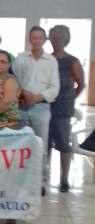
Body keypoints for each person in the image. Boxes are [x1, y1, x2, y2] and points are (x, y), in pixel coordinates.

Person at [12, 26, 60, 196]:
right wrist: (24, 94)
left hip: (41, 108)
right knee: (21, 145)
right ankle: (21, 181)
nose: (36, 40)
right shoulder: (20, 59)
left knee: (40, 145)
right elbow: (14, 81)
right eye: (33, 37)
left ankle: (41, 182)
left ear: (44, 40)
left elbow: (55, 89)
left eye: (40, 37)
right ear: (29, 39)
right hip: (22, 108)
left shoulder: (51, 61)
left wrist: (37, 97)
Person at [48, 25, 85, 192]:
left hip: (63, 109)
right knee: (45, 143)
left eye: (60, 36)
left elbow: (81, 84)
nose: (56, 38)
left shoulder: (72, 60)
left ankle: (64, 179)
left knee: (63, 143)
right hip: (45, 106)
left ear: (66, 38)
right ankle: (44, 177)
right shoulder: (46, 59)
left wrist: (69, 99)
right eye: (53, 35)